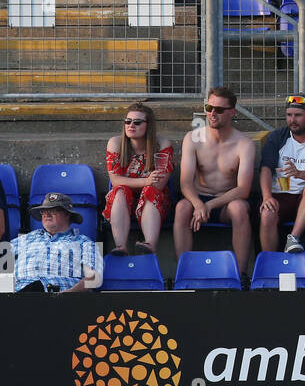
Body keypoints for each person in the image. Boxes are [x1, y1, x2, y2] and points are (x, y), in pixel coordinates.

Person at [173, 86, 258, 276]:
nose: (212, 113)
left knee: (240, 208)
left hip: (225, 202)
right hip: (198, 198)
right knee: (181, 208)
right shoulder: (193, 139)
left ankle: (241, 274)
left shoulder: (244, 144)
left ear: (232, 112)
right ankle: (183, 272)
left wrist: (209, 205)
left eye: (219, 110)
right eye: (209, 108)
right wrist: (198, 204)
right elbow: (185, 182)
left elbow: (243, 189)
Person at [256, 94, 305, 255]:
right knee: (267, 213)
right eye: (289, 115)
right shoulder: (278, 137)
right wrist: (267, 196)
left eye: (298, 115)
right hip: (280, 195)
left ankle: (294, 238)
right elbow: (265, 169)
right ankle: (269, 264)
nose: (292, 120)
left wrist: (300, 173)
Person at [103, 102, 173, 256]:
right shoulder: (115, 143)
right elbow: (115, 181)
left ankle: (149, 245)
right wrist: (146, 181)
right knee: (120, 190)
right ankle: (121, 246)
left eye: (137, 122)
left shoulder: (161, 144)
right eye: (127, 121)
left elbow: (159, 184)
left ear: (149, 125)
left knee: (150, 191)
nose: (131, 125)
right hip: (122, 201)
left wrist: (145, 184)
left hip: (154, 202)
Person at [12, 193, 101, 293]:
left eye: (53, 210)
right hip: (19, 296)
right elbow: (3, 256)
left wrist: (70, 293)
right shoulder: (26, 239)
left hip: (62, 300)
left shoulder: (84, 243)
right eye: (44, 211)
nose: (47, 214)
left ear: (67, 214)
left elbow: (93, 279)